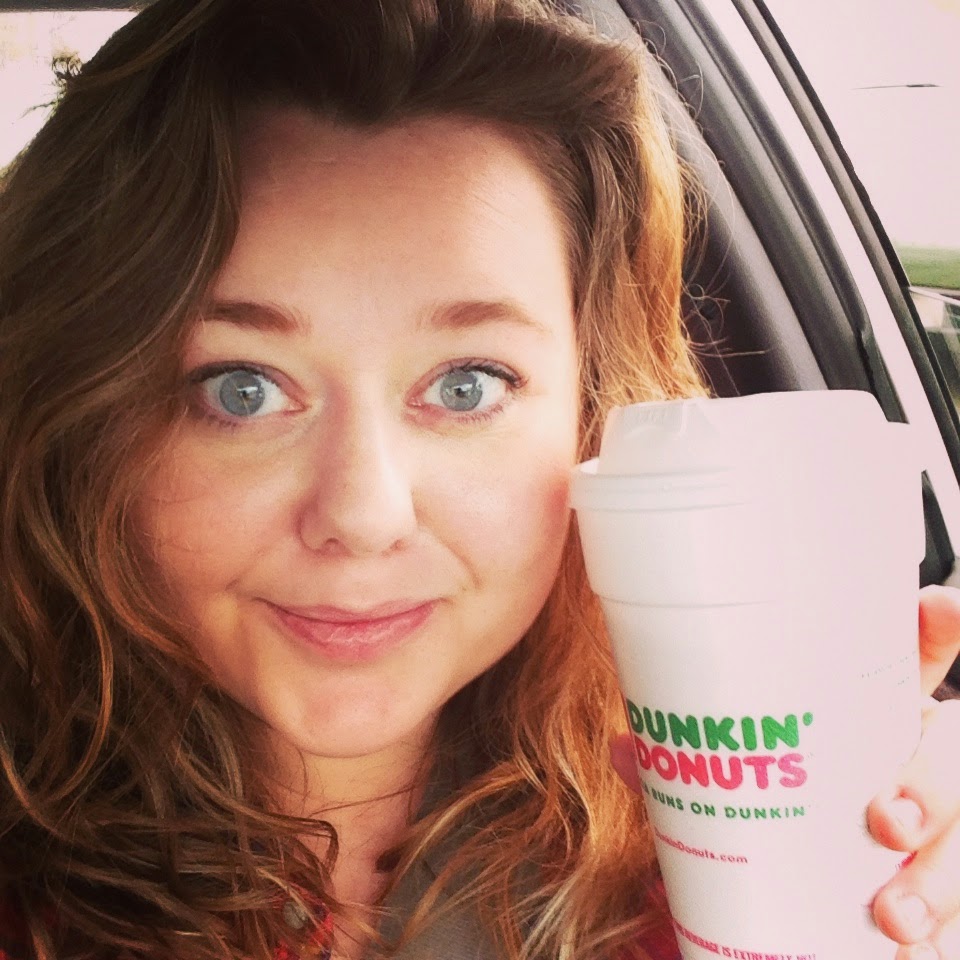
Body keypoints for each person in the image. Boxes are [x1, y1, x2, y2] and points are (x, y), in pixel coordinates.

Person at [1, 1, 959, 958]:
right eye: (240, 389)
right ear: (89, 421)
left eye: (468, 385)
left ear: (590, 414)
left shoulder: (720, 842)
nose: (364, 515)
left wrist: (885, 903)